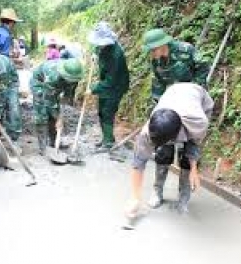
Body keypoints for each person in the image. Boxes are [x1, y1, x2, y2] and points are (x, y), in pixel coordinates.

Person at [125, 83, 213, 220]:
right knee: (163, 153)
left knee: (187, 160)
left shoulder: (198, 122)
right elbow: (138, 163)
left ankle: (184, 197)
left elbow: (195, 143)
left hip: (198, 101)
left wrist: (194, 169)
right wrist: (135, 198)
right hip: (172, 94)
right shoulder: (149, 130)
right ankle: (157, 191)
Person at [87, 21, 130, 150]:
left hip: (116, 86)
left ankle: (109, 142)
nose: (100, 45)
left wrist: (93, 89)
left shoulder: (116, 55)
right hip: (105, 83)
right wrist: (95, 54)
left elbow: (111, 81)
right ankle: (106, 138)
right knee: (101, 111)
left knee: (108, 112)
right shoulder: (102, 47)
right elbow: (97, 48)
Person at [29, 59, 84, 155]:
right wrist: (58, 118)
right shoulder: (52, 76)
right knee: (42, 111)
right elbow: (50, 101)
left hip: (55, 85)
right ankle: (43, 146)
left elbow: (68, 93)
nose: (72, 81)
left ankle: (54, 141)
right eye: (70, 79)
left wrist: (62, 111)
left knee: (56, 113)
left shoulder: (74, 76)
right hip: (39, 84)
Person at [143, 28, 210, 104]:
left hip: (195, 94)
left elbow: (203, 66)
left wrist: (196, 86)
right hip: (177, 96)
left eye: (153, 50)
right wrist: (159, 101)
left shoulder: (185, 50)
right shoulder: (156, 61)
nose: (152, 54)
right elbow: (158, 81)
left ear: (163, 45)